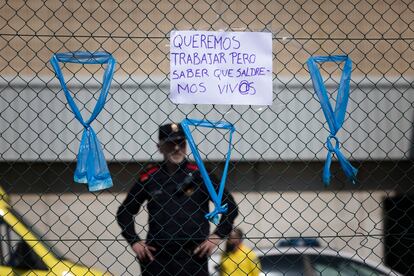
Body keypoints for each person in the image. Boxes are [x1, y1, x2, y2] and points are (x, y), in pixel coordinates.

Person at [117, 122, 238, 276]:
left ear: (187, 145)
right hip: (157, 259)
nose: (176, 148)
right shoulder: (150, 177)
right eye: (170, 143)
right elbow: (125, 212)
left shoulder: (200, 175)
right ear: (159, 147)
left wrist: (217, 235)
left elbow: (230, 207)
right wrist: (134, 240)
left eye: (181, 143)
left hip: (193, 257)